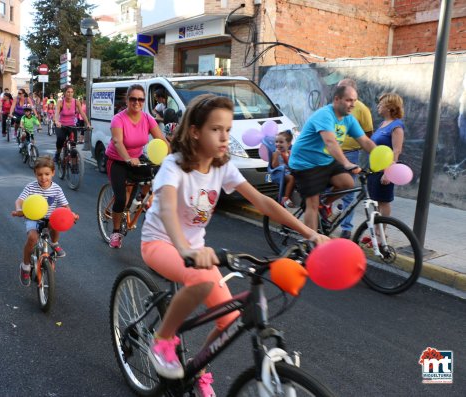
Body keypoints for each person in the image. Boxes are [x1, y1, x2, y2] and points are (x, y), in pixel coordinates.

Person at [140, 95, 328, 395]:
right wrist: (185, 249)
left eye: (228, 129)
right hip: (161, 243)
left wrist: (309, 232)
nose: (225, 136)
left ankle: (197, 369)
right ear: (195, 132)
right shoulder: (173, 166)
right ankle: (162, 340)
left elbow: (263, 202)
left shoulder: (222, 167)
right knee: (200, 279)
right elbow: (165, 209)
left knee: (229, 319)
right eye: (216, 129)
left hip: (198, 251)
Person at [288, 85, 376, 231]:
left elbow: (365, 141)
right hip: (305, 163)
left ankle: (325, 205)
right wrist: (346, 163)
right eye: (349, 100)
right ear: (337, 99)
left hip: (325, 161)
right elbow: (330, 142)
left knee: (348, 183)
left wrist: (385, 160)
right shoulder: (325, 115)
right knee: (312, 205)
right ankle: (311, 246)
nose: (353, 105)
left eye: (354, 101)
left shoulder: (349, 119)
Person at [105, 84, 169, 249]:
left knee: (154, 176)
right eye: (133, 98)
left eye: (140, 99)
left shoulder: (147, 118)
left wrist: (173, 156)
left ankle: (140, 199)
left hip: (138, 158)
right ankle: (116, 232)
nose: (137, 102)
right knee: (120, 199)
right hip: (118, 160)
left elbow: (161, 139)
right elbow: (118, 142)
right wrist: (127, 158)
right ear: (127, 100)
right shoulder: (118, 119)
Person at [11, 156, 70, 286]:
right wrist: (18, 210)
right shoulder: (30, 187)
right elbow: (19, 200)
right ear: (35, 174)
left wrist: (71, 215)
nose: (43, 178)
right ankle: (25, 266)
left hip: (49, 218)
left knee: (56, 222)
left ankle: (54, 243)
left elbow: (65, 206)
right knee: (32, 238)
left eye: (47, 174)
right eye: (40, 174)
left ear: (53, 173)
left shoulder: (57, 189)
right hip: (33, 218)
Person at [336, 78, 374, 239]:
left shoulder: (362, 110)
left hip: (351, 153)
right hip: (331, 153)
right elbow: (329, 140)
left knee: (349, 192)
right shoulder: (331, 110)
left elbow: (367, 134)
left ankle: (346, 227)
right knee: (325, 189)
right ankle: (324, 218)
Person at [367, 93, 405, 219]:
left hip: (385, 170)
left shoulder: (396, 126)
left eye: (381, 104)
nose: (378, 106)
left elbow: (397, 151)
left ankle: (381, 233)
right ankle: (377, 232)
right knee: (376, 201)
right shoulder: (383, 123)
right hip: (375, 169)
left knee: (384, 202)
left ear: (389, 107)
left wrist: (388, 173)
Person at [53, 86, 90, 161]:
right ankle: (58, 153)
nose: (70, 94)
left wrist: (88, 124)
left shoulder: (76, 102)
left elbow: (82, 113)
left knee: (73, 144)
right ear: (65, 93)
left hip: (72, 125)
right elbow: (56, 113)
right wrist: (57, 121)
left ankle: (74, 164)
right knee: (61, 139)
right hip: (61, 125)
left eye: (71, 92)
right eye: (68, 92)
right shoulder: (60, 102)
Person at [270, 130, 295, 208]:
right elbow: (274, 166)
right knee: (291, 178)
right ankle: (286, 198)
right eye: (276, 142)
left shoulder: (290, 153)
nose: (278, 144)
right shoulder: (276, 153)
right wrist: (277, 155)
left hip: (288, 173)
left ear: (288, 144)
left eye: (281, 142)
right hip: (278, 173)